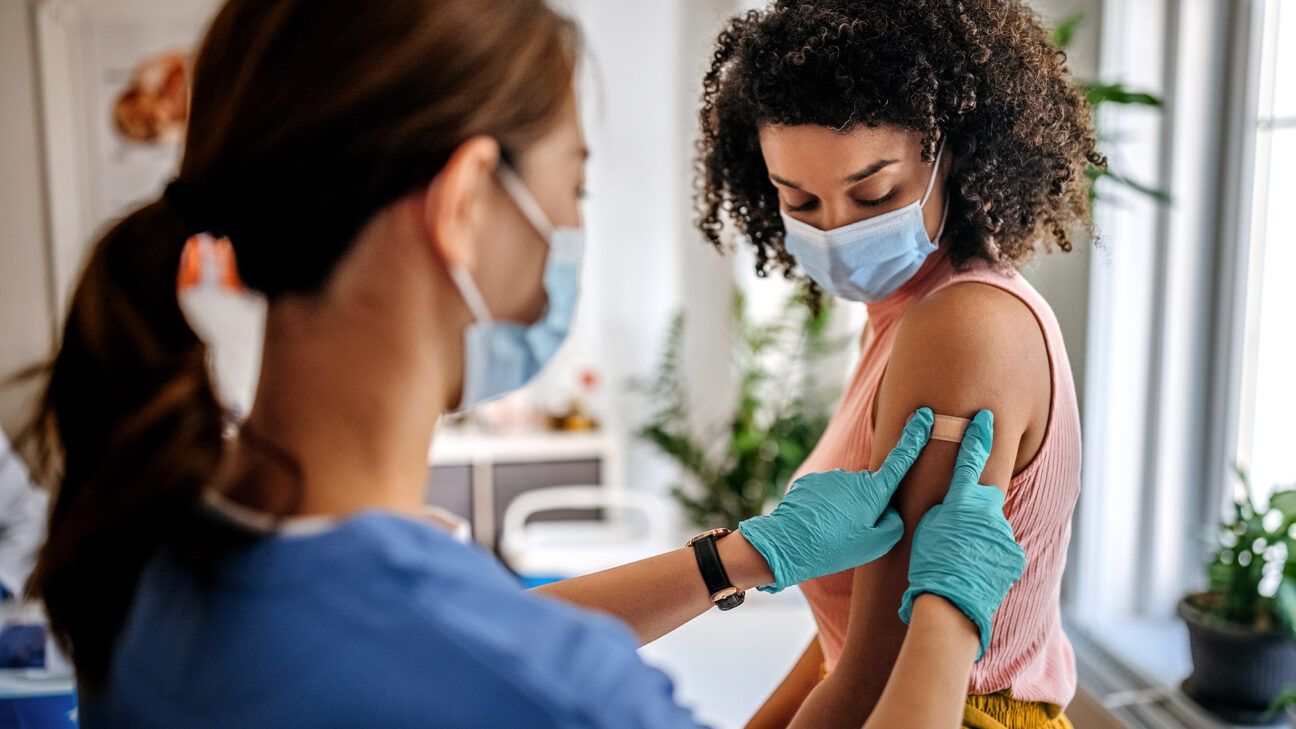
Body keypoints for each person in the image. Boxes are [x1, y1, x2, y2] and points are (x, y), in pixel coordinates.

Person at [17, 1, 1023, 726]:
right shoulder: (546, 695)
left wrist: (741, 554)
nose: (577, 229)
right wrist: (944, 616)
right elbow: (491, 657)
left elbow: (461, 630)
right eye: (573, 186)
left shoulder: (142, 546)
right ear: (463, 208)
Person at [696, 1, 1100, 727]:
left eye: (873, 193)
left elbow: (876, 677)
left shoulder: (961, 328)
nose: (838, 232)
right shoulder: (897, 317)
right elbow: (844, 645)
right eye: (800, 201)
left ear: (952, 149)